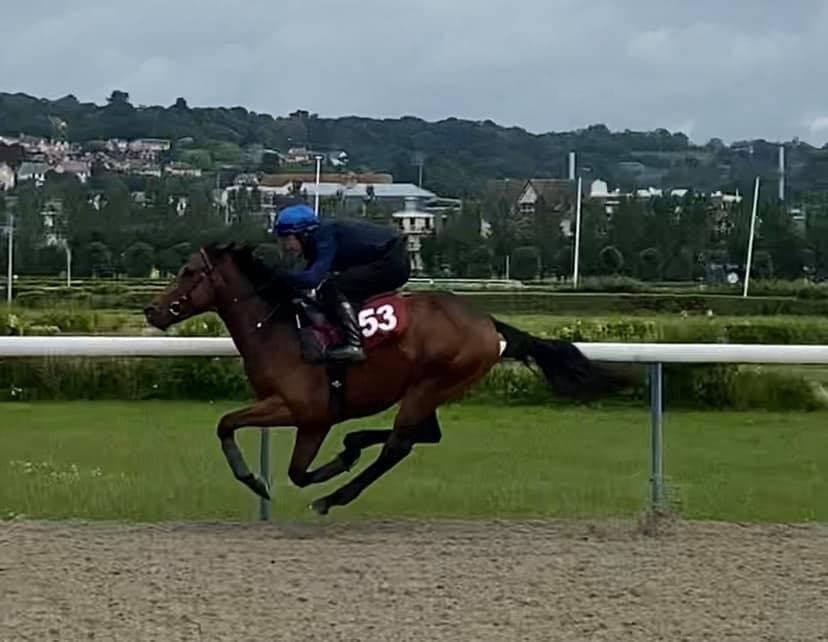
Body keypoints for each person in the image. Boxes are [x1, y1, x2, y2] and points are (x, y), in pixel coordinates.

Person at [271, 203, 411, 362]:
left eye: (287, 238)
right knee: (330, 288)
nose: (285, 246)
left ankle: (354, 344)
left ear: (304, 234)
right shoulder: (316, 239)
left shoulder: (324, 235)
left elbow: (312, 279)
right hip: (390, 258)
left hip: (392, 262)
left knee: (334, 286)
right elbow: (304, 278)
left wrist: (279, 276)